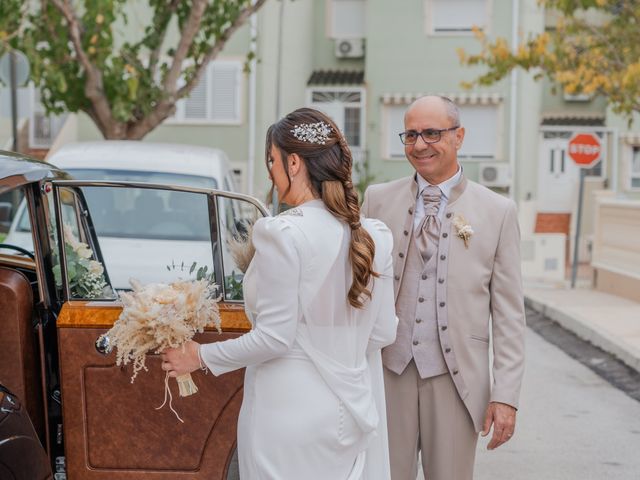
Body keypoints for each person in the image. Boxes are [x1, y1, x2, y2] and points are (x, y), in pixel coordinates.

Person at [162, 107, 397, 479]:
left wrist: (199, 356)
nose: (269, 172)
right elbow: (384, 333)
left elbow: (274, 338)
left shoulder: (282, 233)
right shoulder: (376, 236)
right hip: (349, 413)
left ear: (292, 163)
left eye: (271, 160)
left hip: (286, 410)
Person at [361, 95, 526, 480]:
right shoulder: (377, 200)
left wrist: (506, 396)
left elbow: (508, 316)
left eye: (432, 133)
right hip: (387, 373)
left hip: (456, 380)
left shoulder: (498, 211)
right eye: (411, 135)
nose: (419, 145)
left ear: (459, 136)